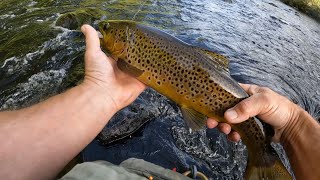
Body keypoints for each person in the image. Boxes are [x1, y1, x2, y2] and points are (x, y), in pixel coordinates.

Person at [0, 24, 319, 180]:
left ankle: (263, 162)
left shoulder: (127, 51)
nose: (104, 30)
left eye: (108, 29)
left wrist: (291, 124)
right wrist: (292, 122)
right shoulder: (128, 56)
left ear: (124, 41)